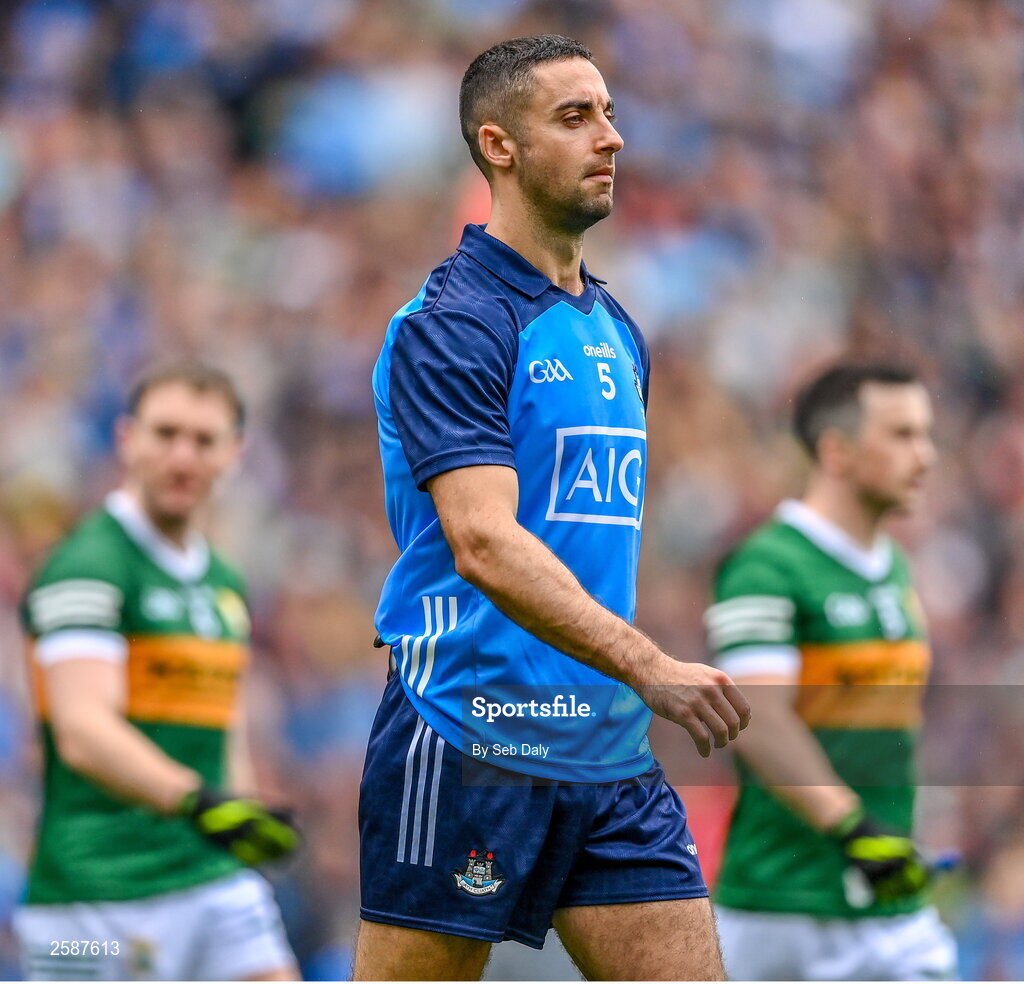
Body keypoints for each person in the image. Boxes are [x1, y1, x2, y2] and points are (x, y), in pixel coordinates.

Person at [358, 35, 750, 981]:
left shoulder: (616, 328)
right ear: (499, 145)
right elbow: (485, 543)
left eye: (609, 114)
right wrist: (650, 663)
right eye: (575, 118)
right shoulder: (452, 323)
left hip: (603, 744)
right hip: (467, 733)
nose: (610, 138)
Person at [15, 363, 301, 981]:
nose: (182, 457)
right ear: (126, 439)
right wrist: (201, 803)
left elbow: (226, 732)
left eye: (204, 441)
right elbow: (83, 733)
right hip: (93, 895)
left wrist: (243, 821)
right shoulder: (85, 567)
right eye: (165, 433)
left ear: (235, 453)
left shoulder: (224, 582)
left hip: (211, 879)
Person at [707, 362, 959, 980]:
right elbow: (760, 722)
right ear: (837, 450)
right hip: (784, 910)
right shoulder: (767, 566)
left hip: (890, 901)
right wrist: (852, 828)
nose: (925, 455)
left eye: (926, 434)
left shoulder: (895, 567)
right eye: (901, 435)